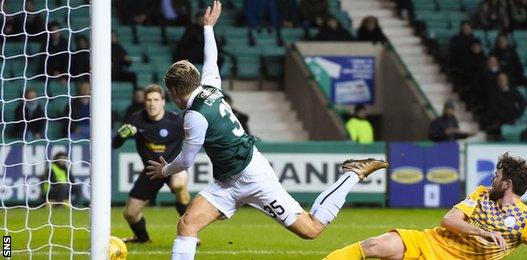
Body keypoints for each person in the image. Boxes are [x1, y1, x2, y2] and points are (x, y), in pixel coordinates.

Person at [146, 3, 388, 259]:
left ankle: (352, 173)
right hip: (226, 182)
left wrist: (164, 170)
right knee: (187, 225)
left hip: (254, 178)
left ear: (173, 92)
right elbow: (211, 59)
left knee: (311, 230)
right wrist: (208, 28)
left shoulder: (194, 116)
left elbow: (185, 160)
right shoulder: (210, 86)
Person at [325, 153, 527, 260]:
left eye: (497, 176)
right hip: (430, 242)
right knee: (375, 244)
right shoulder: (481, 194)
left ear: (507, 184)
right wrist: (483, 232)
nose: (492, 179)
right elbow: (449, 221)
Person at [112, 84, 190, 244]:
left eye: (155, 99)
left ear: (162, 102)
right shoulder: (136, 119)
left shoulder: (176, 121)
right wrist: (121, 136)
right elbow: (115, 144)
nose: (151, 103)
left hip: (172, 167)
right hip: (151, 171)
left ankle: (190, 231)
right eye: (148, 100)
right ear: (144, 102)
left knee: (179, 183)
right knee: (130, 214)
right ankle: (143, 238)